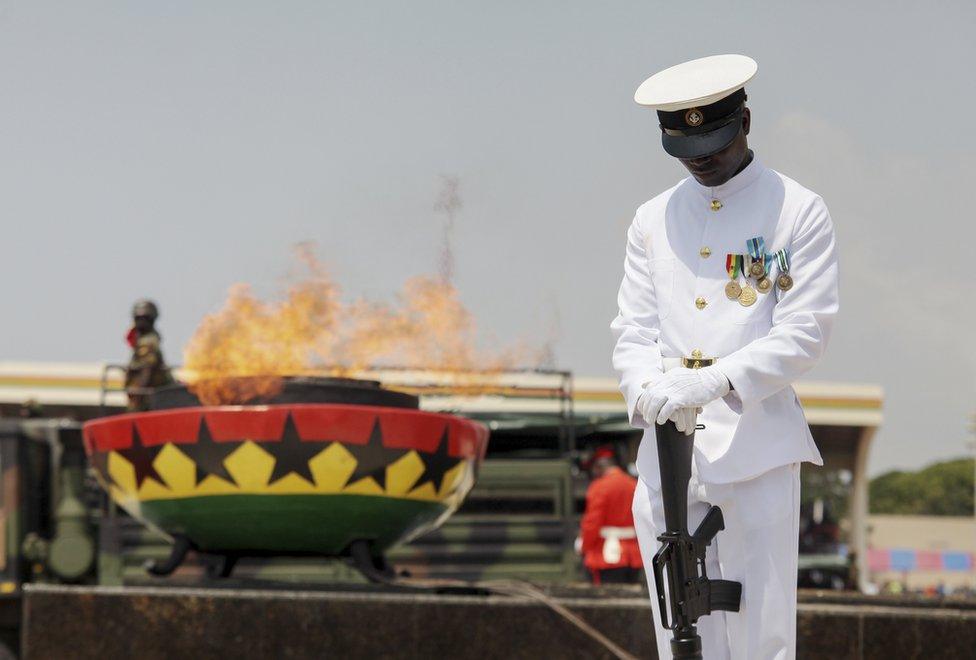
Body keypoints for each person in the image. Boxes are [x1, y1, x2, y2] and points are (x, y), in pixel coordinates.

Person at [610, 54, 838, 659]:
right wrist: (647, 392)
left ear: (745, 122)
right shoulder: (652, 219)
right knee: (678, 638)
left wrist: (716, 381)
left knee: (760, 637)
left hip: (755, 450)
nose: (700, 159)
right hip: (667, 454)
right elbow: (633, 329)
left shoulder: (796, 209)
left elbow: (805, 331)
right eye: (686, 148)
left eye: (712, 143)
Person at [579, 446, 643, 585]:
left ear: (598, 467)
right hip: (633, 554)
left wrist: (584, 547)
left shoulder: (599, 486)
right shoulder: (633, 484)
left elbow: (592, 523)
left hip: (605, 555)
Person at [125, 299, 175, 411]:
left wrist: (138, 395)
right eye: (138, 318)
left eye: (144, 319)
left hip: (149, 399)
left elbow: (147, 369)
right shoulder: (143, 340)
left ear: (151, 320)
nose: (140, 322)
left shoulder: (148, 342)